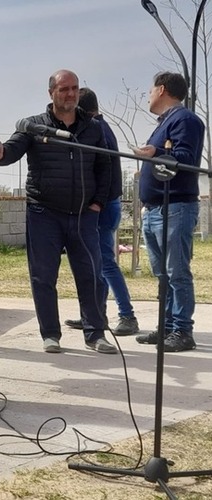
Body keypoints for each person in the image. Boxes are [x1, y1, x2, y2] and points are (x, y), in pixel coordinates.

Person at [0, 69, 117, 355]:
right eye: (64, 89)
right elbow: (10, 152)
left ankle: (95, 333)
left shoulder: (93, 128)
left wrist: (98, 203)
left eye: (74, 88)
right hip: (44, 213)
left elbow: (105, 166)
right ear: (51, 94)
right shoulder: (34, 126)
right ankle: (51, 334)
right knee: (43, 276)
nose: (70, 94)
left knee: (91, 275)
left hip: (84, 215)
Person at [132, 72, 204, 352]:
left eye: (150, 89)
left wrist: (156, 152)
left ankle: (182, 330)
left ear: (161, 90)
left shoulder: (185, 120)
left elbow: (186, 158)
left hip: (175, 206)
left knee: (177, 272)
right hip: (155, 210)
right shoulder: (165, 123)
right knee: (163, 274)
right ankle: (167, 327)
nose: (148, 95)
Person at [63, 88, 140, 335]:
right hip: (107, 204)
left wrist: (95, 202)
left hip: (103, 207)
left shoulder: (96, 129)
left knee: (105, 262)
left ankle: (127, 315)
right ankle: (96, 315)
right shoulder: (102, 127)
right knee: (97, 263)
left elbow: (100, 172)